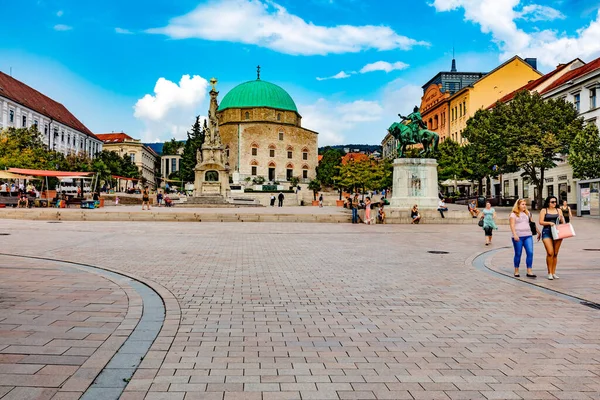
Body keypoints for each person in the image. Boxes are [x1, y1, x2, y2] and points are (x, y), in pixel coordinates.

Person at [509, 199, 540, 278]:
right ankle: (516, 270)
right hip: (518, 236)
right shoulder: (513, 214)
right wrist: (514, 234)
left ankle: (529, 271)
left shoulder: (528, 213)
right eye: (523, 204)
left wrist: (538, 232)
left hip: (528, 235)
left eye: (525, 204)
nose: (524, 206)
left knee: (530, 252)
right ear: (518, 205)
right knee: (518, 253)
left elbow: (532, 224)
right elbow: (512, 225)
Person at [539, 195, 565, 280]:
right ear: (548, 202)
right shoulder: (544, 210)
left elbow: (563, 222)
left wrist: (562, 218)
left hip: (557, 232)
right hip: (547, 232)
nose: (554, 203)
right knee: (550, 252)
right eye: (552, 202)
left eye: (555, 202)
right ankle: (549, 272)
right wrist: (549, 223)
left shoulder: (559, 210)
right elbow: (541, 222)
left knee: (555, 253)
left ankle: (553, 272)